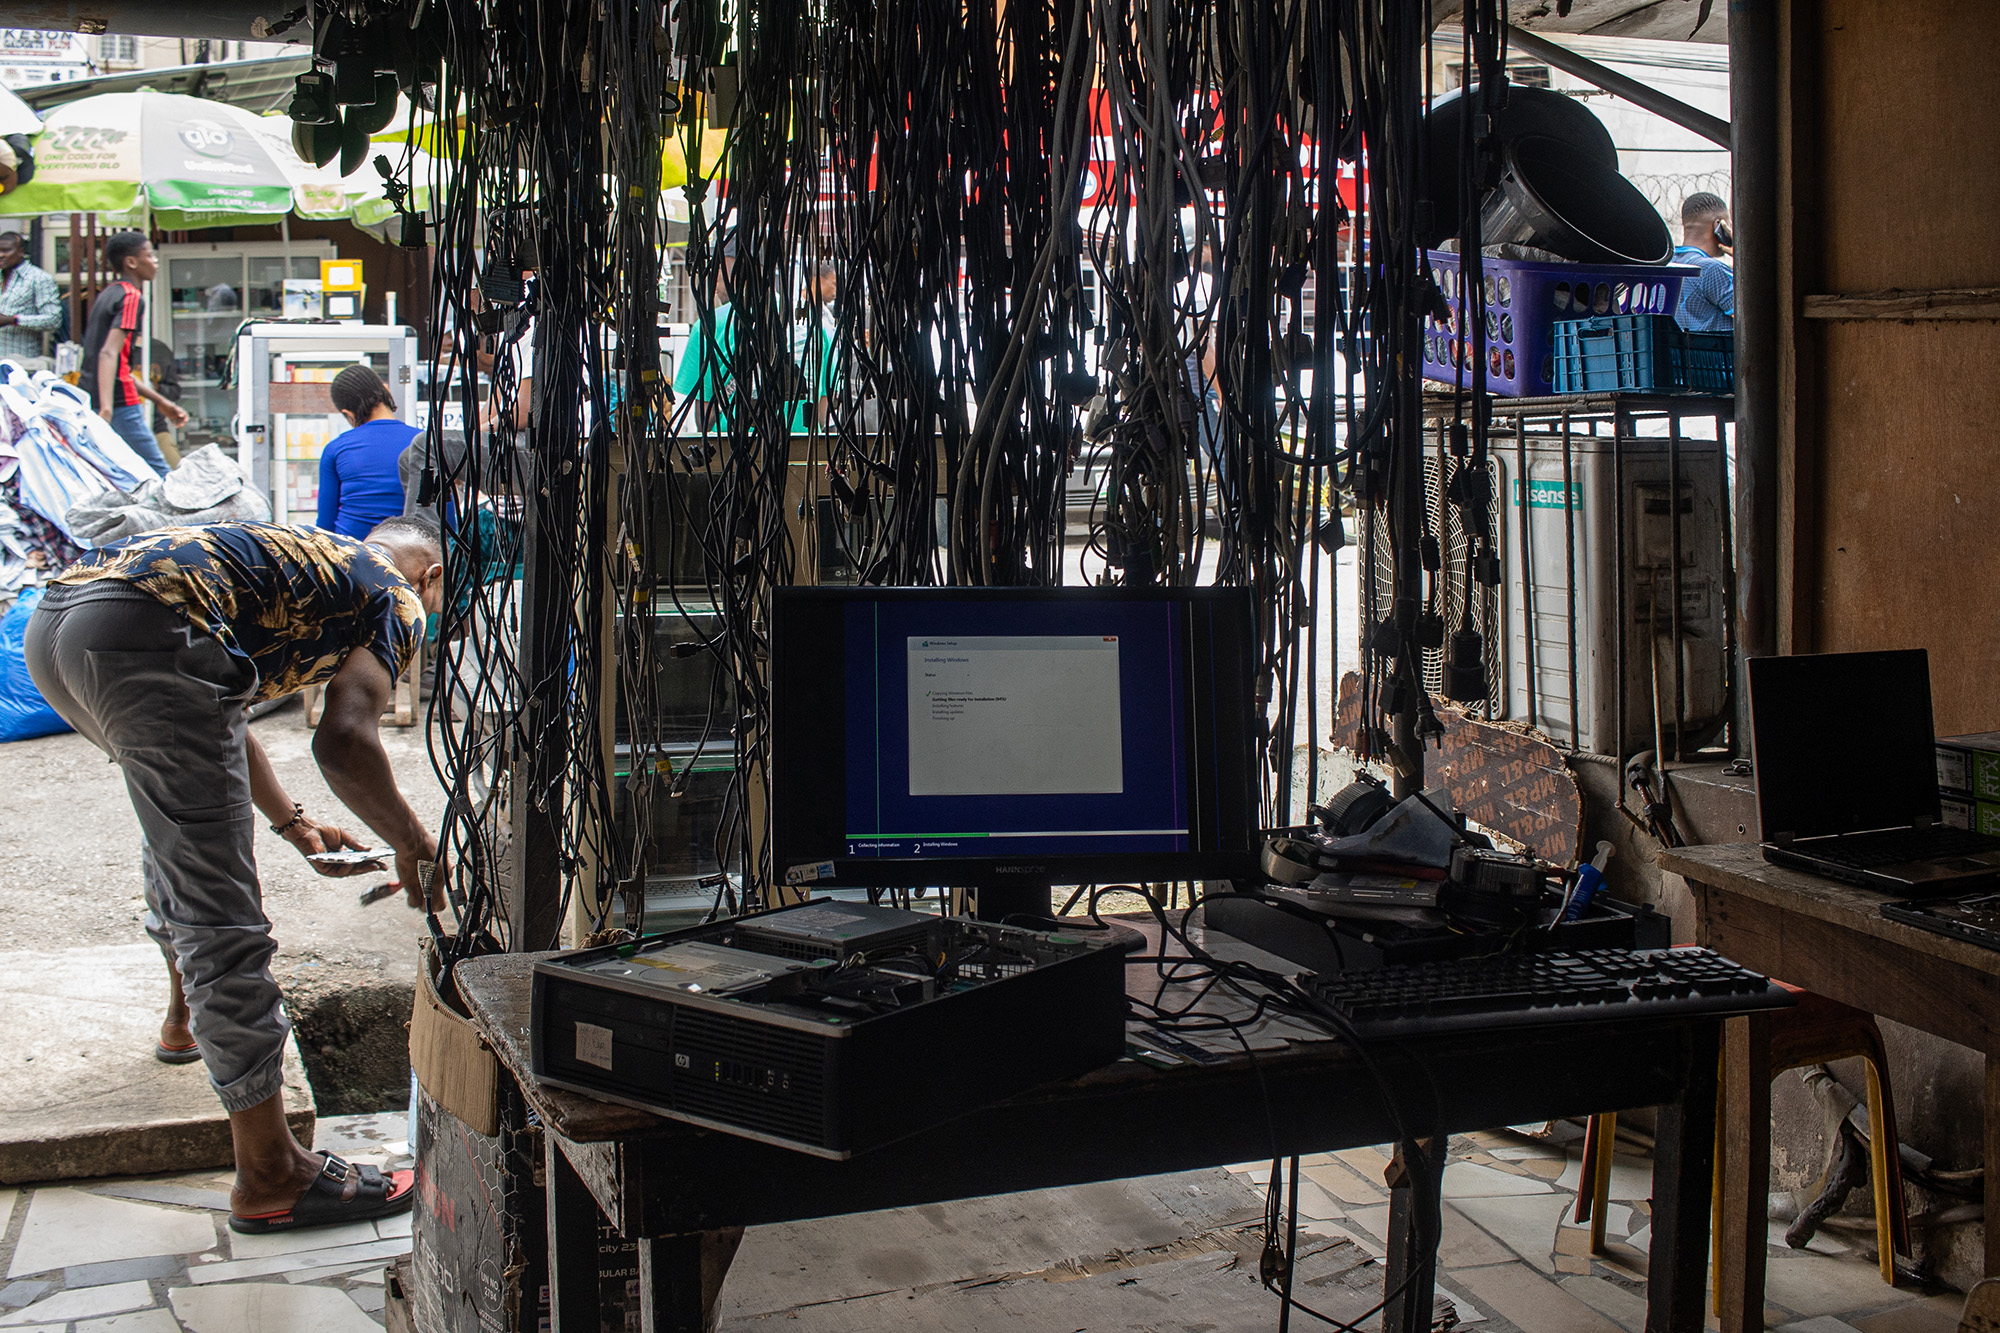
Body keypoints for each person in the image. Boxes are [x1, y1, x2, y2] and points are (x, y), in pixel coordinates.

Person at [23, 517, 446, 1235]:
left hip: (62, 625)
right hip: (144, 627)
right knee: (223, 916)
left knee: (183, 847)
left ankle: (184, 1019)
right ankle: (271, 1172)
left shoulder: (309, 562)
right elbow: (342, 739)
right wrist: (413, 842)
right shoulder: (397, 594)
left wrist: (293, 824)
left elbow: (218, 711)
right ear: (430, 575)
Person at [78, 231, 187, 476]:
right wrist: (107, 409)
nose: (155, 261)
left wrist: (161, 401)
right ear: (132, 262)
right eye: (149, 255)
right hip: (118, 403)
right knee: (159, 472)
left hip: (94, 394)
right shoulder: (131, 297)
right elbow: (108, 353)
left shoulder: (108, 293)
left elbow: (119, 367)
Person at [319, 365, 420, 538]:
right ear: (386, 391)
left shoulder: (336, 449)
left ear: (349, 414)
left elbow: (324, 526)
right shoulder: (424, 443)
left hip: (352, 553)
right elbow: (444, 517)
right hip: (411, 552)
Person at [1672, 192, 1735, 334]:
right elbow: (1755, 315)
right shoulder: (1711, 269)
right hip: (1717, 355)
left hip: (1678, 355)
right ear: (1719, 225)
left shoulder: (1668, 265)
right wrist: (1741, 257)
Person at [0, 231, 62, 365]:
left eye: (6, 250)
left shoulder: (39, 278)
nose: (1, 255)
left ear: (21, 251)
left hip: (23, 364)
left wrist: (13, 320)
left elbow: (53, 319)